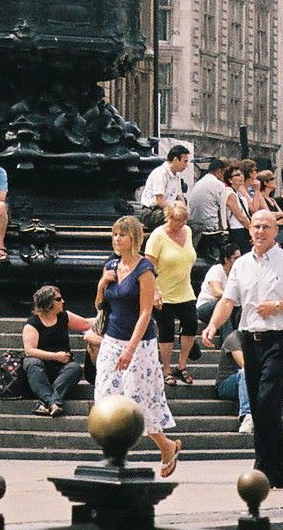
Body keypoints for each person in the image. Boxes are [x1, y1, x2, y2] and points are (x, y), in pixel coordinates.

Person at [200, 209, 283, 488]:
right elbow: (228, 300)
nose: (260, 231)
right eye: (256, 227)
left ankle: (263, 466)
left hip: (279, 339)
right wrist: (213, 326)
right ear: (249, 230)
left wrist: (278, 306)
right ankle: (276, 472)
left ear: (276, 231)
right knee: (259, 403)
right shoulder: (240, 265)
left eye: (266, 226)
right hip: (249, 340)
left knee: (265, 402)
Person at [95, 216, 181, 478]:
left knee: (138, 400)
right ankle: (114, 455)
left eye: (122, 235)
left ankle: (167, 446)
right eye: (114, 235)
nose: (117, 239)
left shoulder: (144, 269)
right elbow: (100, 305)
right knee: (106, 397)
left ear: (134, 237)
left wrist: (130, 350)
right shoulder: (110, 265)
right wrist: (102, 284)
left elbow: (145, 313)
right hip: (111, 339)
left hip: (139, 343)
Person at [146, 201, 200, 385]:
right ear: (168, 217)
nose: (178, 224)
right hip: (164, 292)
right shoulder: (158, 235)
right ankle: (166, 368)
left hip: (185, 289)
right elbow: (148, 266)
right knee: (166, 330)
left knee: (191, 325)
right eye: (175, 220)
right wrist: (154, 292)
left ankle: (182, 365)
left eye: (182, 221)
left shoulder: (189, 232)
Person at [21, 285, 93, 417]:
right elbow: (29, 350)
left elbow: (86, 323)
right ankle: (53, 402)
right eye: (58, 299)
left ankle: (46, 403)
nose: (63, 301)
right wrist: (55, 356)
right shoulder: (32, 324)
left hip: (62, 367)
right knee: (32, 363)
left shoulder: (64, 317)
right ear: (48, 303)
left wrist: (111, 318)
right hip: (42, 368)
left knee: (75, 368)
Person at [187, 158, 248, 261]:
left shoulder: (201, 181)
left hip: (195, 224)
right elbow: (231, 208)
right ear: (219, 172)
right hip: (211, 228)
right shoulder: (219, 185)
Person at [213, 329, 252, 433]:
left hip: (254, 381)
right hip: (226, 384)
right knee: (246, 372)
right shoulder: (234, 338)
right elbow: (245, 364)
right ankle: (247, 415)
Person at [138, 145, 192, 217]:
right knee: (176, 221)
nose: (186, 165)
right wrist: (176, 213)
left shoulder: (177, 176)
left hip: (168, 210)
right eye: (185, 161)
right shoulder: (160, 173)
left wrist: (184, 212)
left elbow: (180, 197)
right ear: (175, 159)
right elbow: (160, 201)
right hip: (152, 211)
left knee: (192, 224)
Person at [197, 250, 236, 328]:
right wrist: (233, 296)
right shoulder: (216, 269)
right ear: (226, 259)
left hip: (224, 307)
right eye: (236, 258)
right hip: (205, 307)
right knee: (225, 305)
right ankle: (226, 339)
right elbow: (217, 292)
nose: (239, 260)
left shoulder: (236, 273)